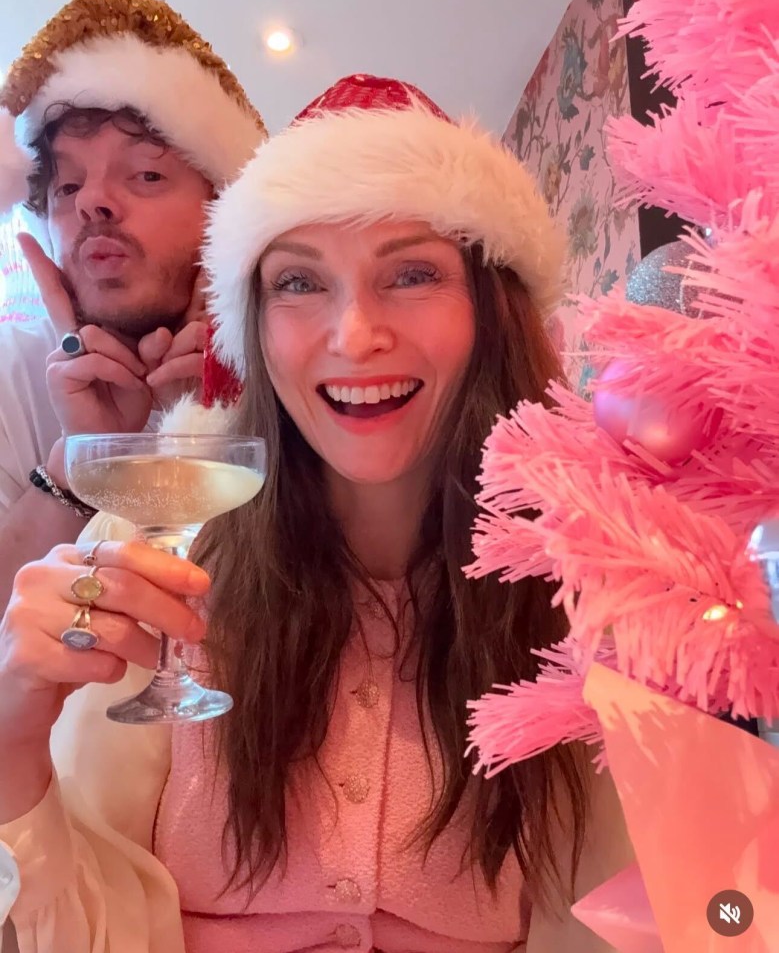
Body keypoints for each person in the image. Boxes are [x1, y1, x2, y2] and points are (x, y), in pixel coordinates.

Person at [0, 75, 634, 952]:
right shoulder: (154, 555)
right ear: (253, 330)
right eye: (299, 282)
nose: (354, 334)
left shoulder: (588, 589)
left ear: (493, 312)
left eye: (411, 273)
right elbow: (79, 930)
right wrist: (13, 734)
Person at [0, 0, 266, 608]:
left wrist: (212, 429)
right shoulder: (12, 374)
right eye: (66, 185)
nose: (91, 201)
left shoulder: (288, 362)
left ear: (225, 213)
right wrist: (80, 464)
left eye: (146, 175)